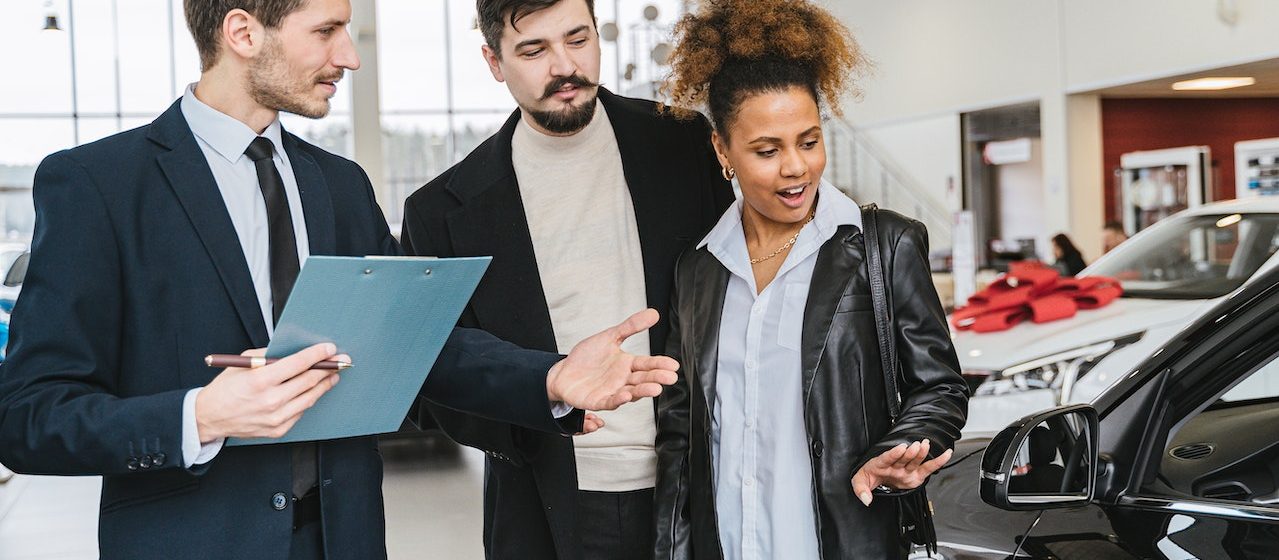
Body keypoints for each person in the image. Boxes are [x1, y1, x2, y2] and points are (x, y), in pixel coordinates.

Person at [0, 1, 679, 558]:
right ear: (242, 33)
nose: (349, 56)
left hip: (344, 539)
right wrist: (199, 416)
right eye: (326, 31)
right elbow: (30, 417)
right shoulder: (98, 186)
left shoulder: (340, 187)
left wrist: (549, 378)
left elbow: (420, 344)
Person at [399, 0, 734, 557]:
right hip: (545, 506)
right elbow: (432, 379)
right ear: (493, 61)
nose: (564, 66)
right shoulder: (441, 211)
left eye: (578, 39)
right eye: (534, 50)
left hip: (698, 491)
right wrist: (548, 390)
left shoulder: (681, 143)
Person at [652, 1, 970, 558]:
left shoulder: (884, 245)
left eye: (808, 140)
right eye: (766, 151)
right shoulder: (699, 269)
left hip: (841, 540)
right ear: (723, 151)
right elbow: (681, 440)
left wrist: (902, 448)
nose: (796, 167)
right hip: (728, 542)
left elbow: (939, 387)